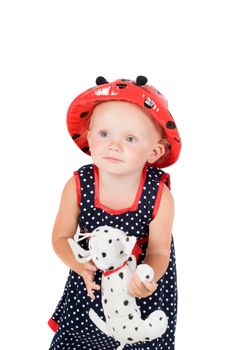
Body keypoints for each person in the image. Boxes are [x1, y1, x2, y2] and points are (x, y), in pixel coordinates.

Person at [48, 76, 182, 350]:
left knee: (142, 339)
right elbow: (60, 237)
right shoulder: (78, 185)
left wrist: (148, 276)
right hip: (90, 283)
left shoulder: (159, 196)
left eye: (130, 138)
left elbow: (159, 251)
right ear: (89, 137)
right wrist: (78, 265)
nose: (114, 145)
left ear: (154, 151)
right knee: (79, 336)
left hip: (138, 291)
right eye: (104, 134)